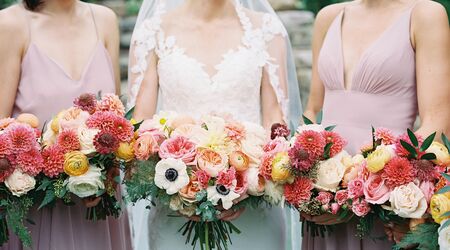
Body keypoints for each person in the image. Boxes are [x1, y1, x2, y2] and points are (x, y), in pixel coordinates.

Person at [127, 0, 302, 249]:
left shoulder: (266, 29)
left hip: (252, 207)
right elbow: (140, 124)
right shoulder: (152, 31)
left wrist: (247, 181)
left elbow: (275, 119)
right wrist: (181, 187)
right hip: (175, 210)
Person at [303, 0, 449, 249]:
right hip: (324, 204)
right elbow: (312, 112)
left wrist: (361, 193)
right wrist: (307, 184)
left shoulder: (424, 14)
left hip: (386, 201)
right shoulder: (328, 17)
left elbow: (438, 121)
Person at [0, 0, 132, 249]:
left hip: (98, 209)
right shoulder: (10, 25)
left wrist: (105, 170)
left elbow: (115, 119)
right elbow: (1, 130)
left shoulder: (105, 20)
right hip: (38, 212)